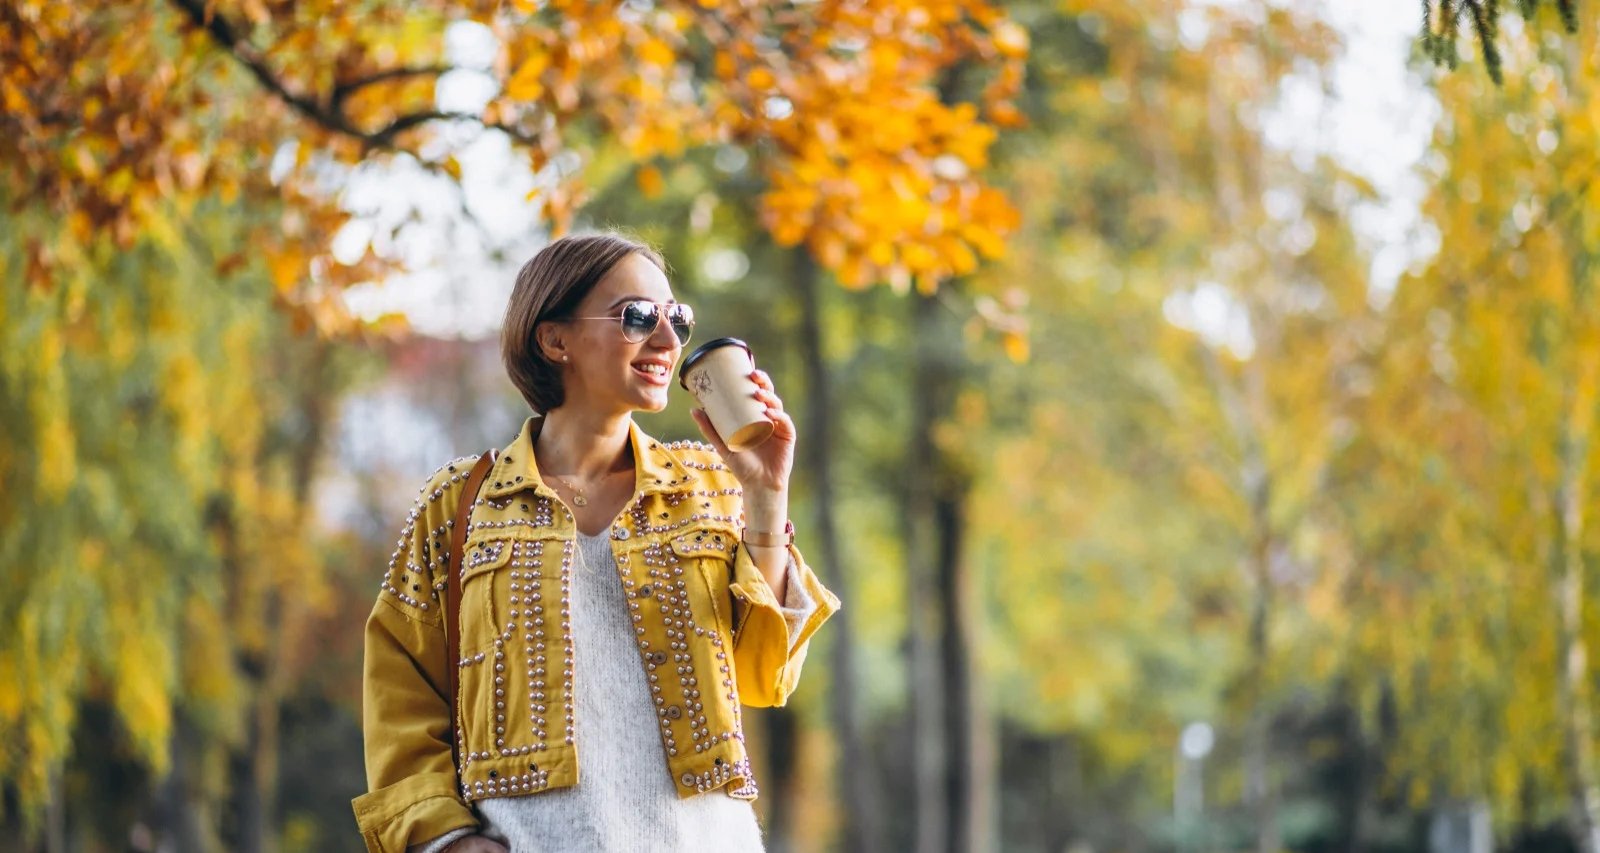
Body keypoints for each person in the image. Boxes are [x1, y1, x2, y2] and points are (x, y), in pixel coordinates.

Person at [351, 233, 841, 853]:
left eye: (677, 319)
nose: (666, 342)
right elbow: (401, 692)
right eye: (637, 317)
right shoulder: (458, 503)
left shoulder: (712, 484)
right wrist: (446, 840)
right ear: (555, 339)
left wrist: (768, 497)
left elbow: (764, 675)